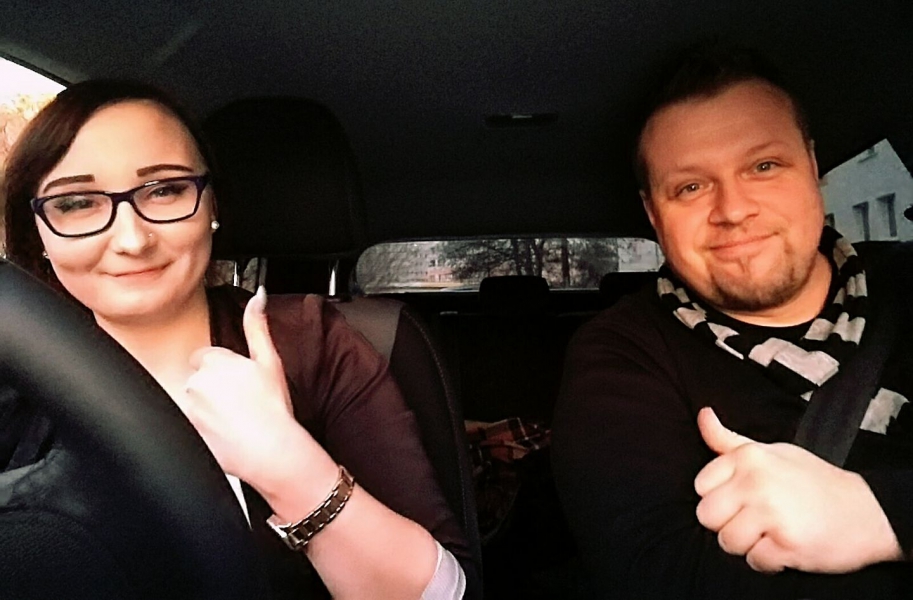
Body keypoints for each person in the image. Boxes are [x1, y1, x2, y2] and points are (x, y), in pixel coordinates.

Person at [1, 80, 472, 599]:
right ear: (37, 230)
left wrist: (287, 467)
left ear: (212, 206)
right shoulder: (13, 376)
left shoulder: (315, 344)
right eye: (77, 203)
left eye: (165, 190)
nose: (132, 239)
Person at [552, 43, 913, 599]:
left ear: (812, 167)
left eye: (764, 166)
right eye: (691, 187)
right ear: (653, 214)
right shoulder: (622, 354)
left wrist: (881, 514)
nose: (733, 209)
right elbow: (655, 576)